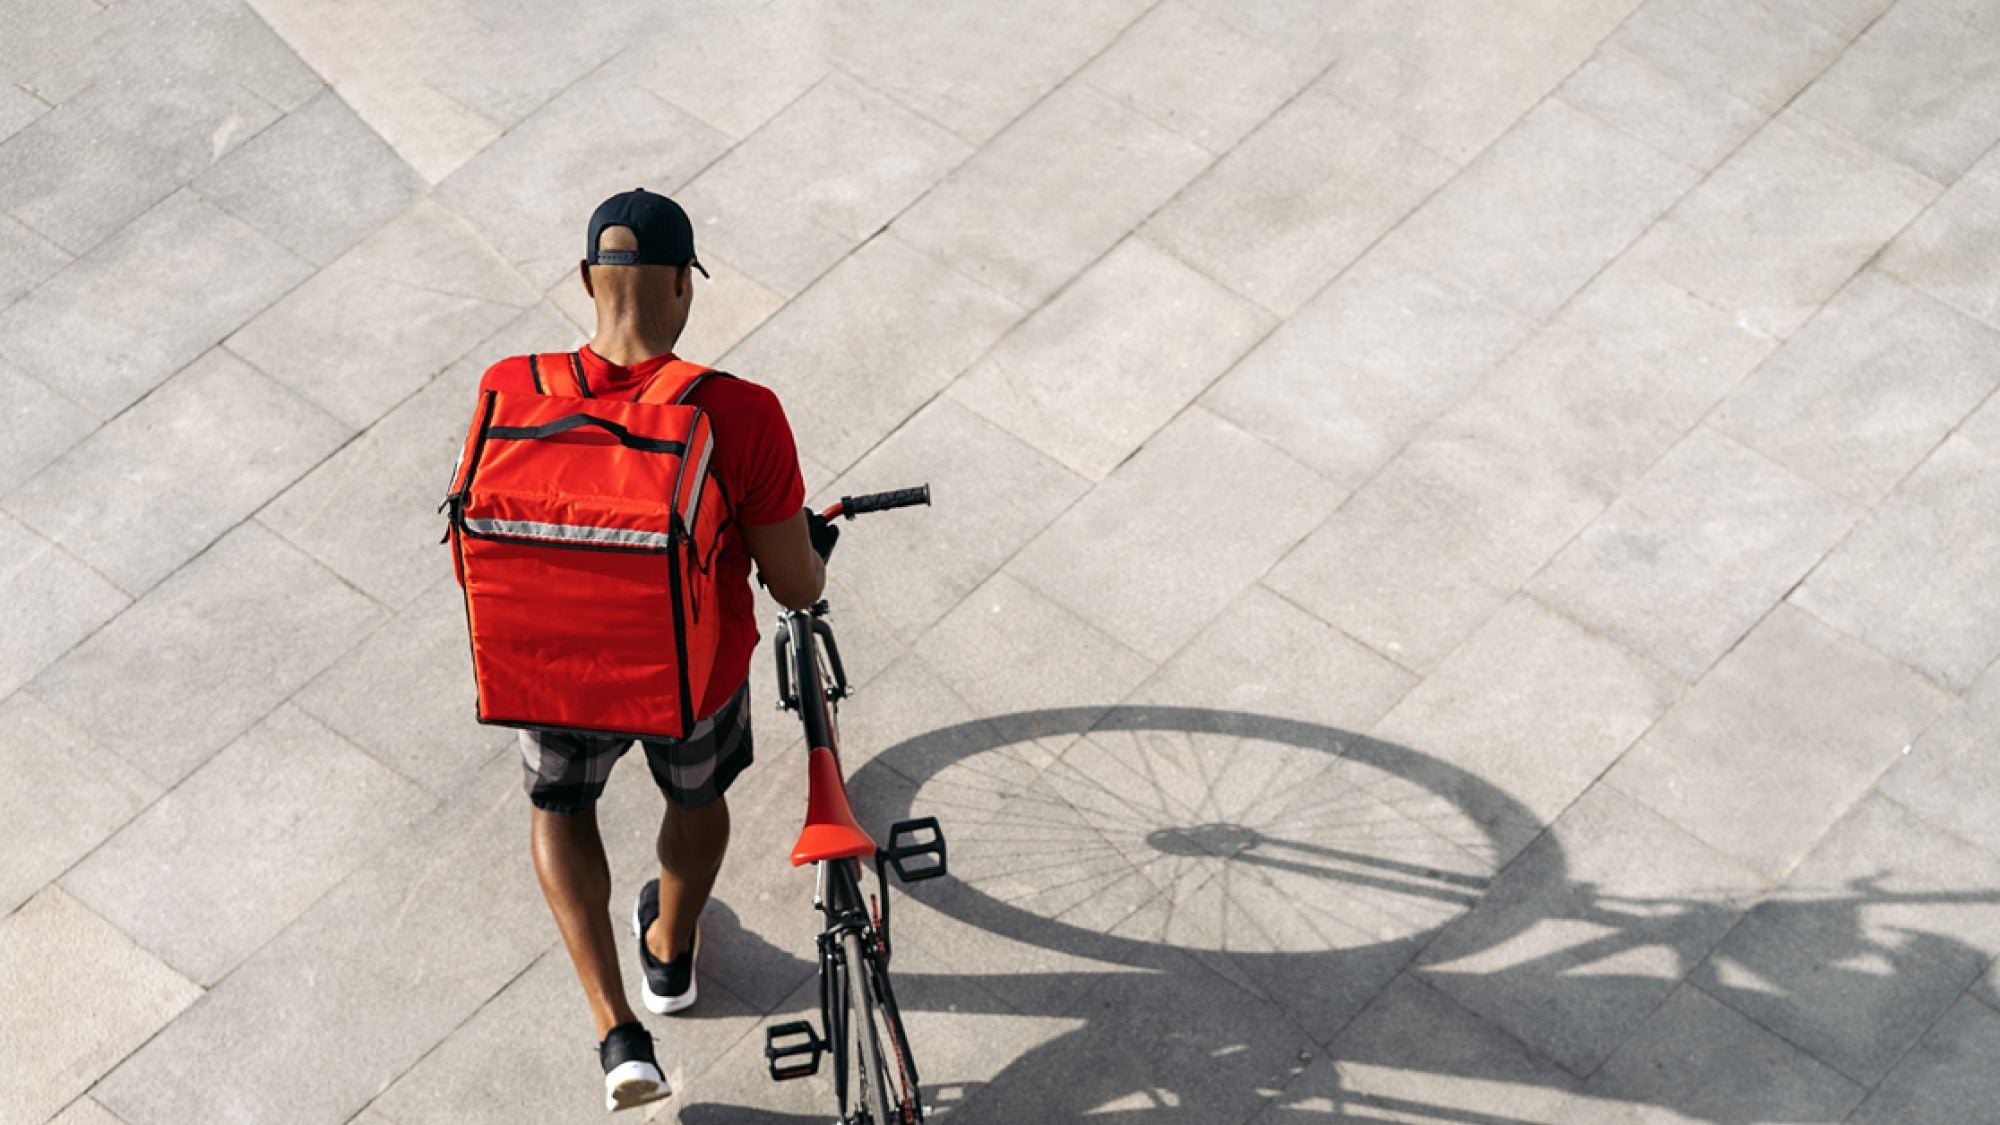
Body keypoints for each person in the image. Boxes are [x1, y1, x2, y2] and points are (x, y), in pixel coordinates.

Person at [473, 188, 837, 1111]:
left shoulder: (507, 387)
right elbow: (795, 586)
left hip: (548, 668)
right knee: (696, 798)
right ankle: (670, 955)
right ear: (683, 283)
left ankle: (616, 1033)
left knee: (560, 806)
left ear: (588, 279)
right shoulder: (739, 412)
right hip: (691, 677)